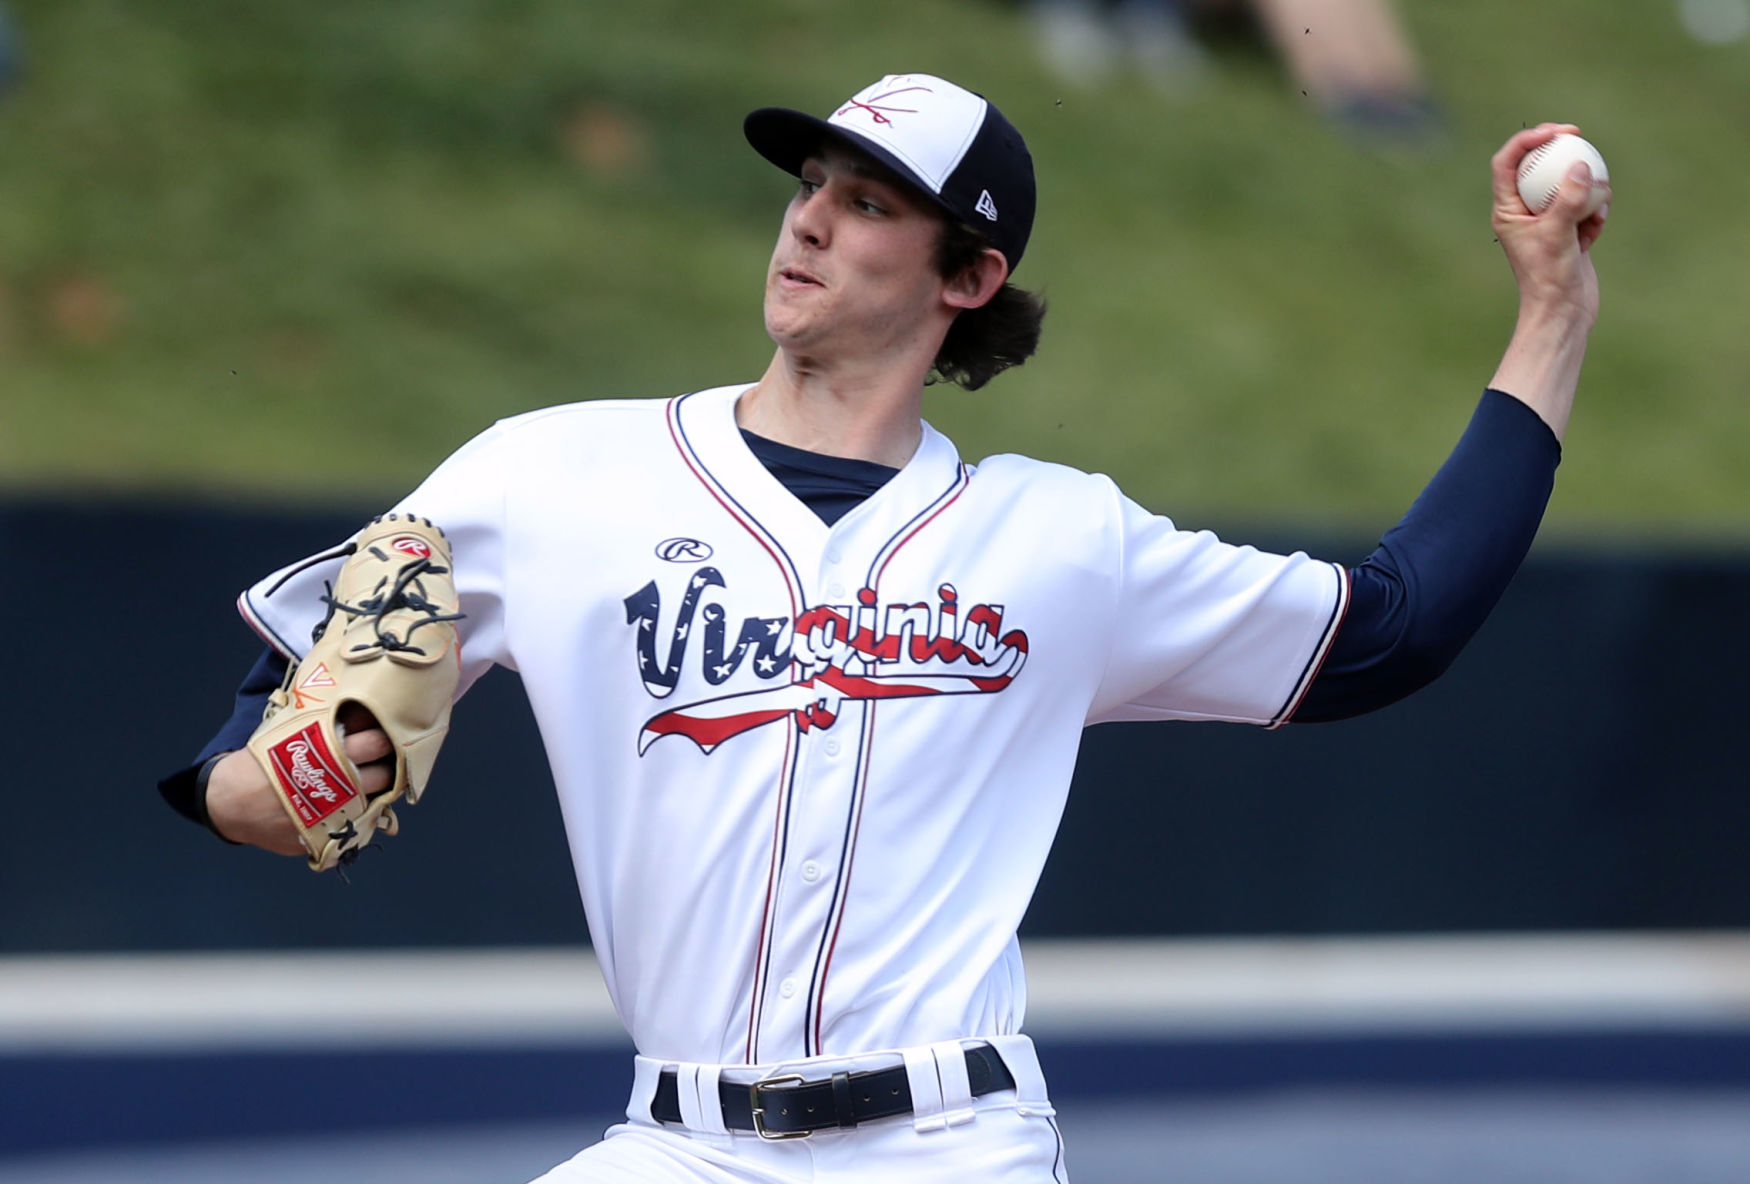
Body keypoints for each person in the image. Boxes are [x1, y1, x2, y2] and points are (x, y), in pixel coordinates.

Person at [159, 73, 1608, 1182]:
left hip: (945, 1142)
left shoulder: (1060, 543)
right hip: (676, 1139)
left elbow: (1388, 634)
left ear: (966, 278)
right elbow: (295, 686)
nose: (807, 217)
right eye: (811, 183)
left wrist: (1552, 311)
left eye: (869, 202)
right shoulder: (548, 475)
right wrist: (247, 783)